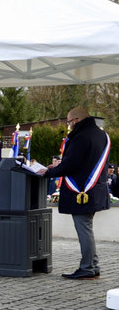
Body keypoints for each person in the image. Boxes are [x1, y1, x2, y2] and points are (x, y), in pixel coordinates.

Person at [39, 107, 110, 280]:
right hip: (95, 189)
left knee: (84, 229)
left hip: (81, 191)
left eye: (69, 122)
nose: (69, 125)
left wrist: (47, 172)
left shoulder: (81, 136)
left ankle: (88, 267)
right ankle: (93, 266)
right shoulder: (102, 134)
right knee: (87, 228)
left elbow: (71, 164)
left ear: (77, 120)